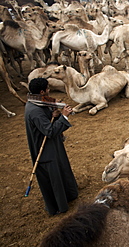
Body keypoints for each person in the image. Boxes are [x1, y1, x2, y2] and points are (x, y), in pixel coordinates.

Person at [25, 78, 78, 216]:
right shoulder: (34, 111)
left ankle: (69, 194)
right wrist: (64, 117)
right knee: (54, 178)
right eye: (48, 88)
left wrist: (52, 115)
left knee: (61, 170)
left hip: (52, 146)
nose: (49, 90)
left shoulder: (35, 103)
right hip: (45, 152)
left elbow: (45, 123)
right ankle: (59, 205)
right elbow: (49, 131)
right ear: (42, 91)